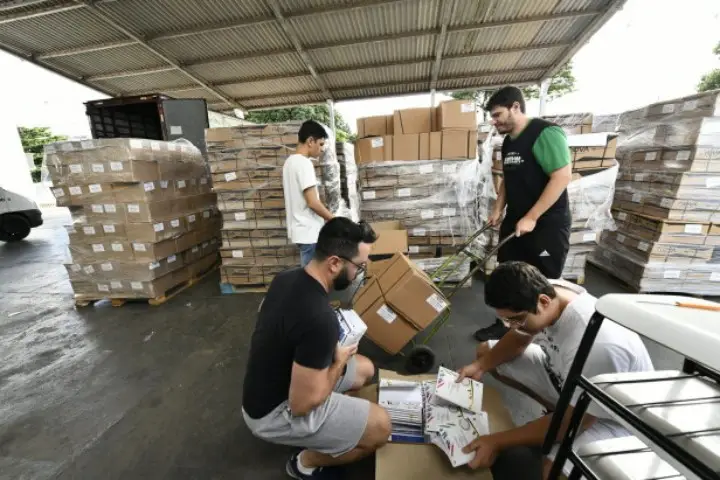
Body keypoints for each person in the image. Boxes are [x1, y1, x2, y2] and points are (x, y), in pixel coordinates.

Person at [457, 262, 653, 477]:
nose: (512, 326)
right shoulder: (546, 290)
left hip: (611, 416)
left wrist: (496, 441)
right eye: (506, 320)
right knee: (487, 354)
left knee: (554, 469)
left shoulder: (597, 344)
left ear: (543, 302)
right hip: (566, 377)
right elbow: (520, 336)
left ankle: (555, 421)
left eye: (516, 319)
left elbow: (573, 422)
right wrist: (479, 366)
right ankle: (553, 413)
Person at [242, 217, 391, 480]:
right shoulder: (319, 319)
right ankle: (304, 462)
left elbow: (278, 321)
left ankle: (327, 430)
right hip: (273, 413)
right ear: (334, 263)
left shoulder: (287, 278)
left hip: (270, 388)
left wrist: (325, 347)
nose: (359, 274)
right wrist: (338, 362)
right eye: (359, 266)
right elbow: (301, 406)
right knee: (381, 428)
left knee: (365, 370)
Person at [474, 86, 573, 342]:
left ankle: (546, 331)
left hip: (546, 225)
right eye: (492, 117)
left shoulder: (545, 133)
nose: (494, 122)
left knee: (543, 278)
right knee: (508, 275)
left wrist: (533, 216)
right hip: (516, 220)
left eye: (497, 115)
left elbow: (562, 177)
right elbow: (508, 180)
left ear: (516, 107)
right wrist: (498, 208)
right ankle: (506, 324)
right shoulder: (508, 142)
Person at [283, 120, 335, 267]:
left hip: (300, 232)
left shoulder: (289, 163)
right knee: (312, 276)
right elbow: (312, 202)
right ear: (310, 141)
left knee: (307, 273)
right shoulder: (304, 163)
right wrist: (333, 220)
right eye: (321, 144)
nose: (322, 149)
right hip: (309, 232)